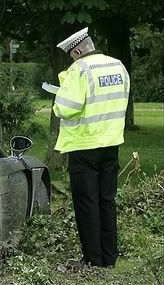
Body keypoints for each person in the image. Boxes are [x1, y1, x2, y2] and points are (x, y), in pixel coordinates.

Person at [51, 27, 130, 267]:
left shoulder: (79, 70)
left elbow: (66, 107)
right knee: (107, 200)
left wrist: (63, 84)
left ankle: (93, 261)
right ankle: (110, 258)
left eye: (71, 55)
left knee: (87, 204)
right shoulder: (118, 66)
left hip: (84, 146)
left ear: (76, 51)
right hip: (111, 142)